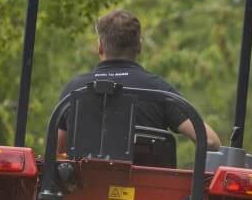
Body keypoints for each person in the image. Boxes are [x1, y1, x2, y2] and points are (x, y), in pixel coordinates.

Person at [57, 9, 221, 154]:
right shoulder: (158, 89)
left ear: (100, 47)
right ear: (139, 47)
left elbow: (58, 152)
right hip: (147, 187)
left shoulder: (75, 89)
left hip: (86, 186)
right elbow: (211, 141)